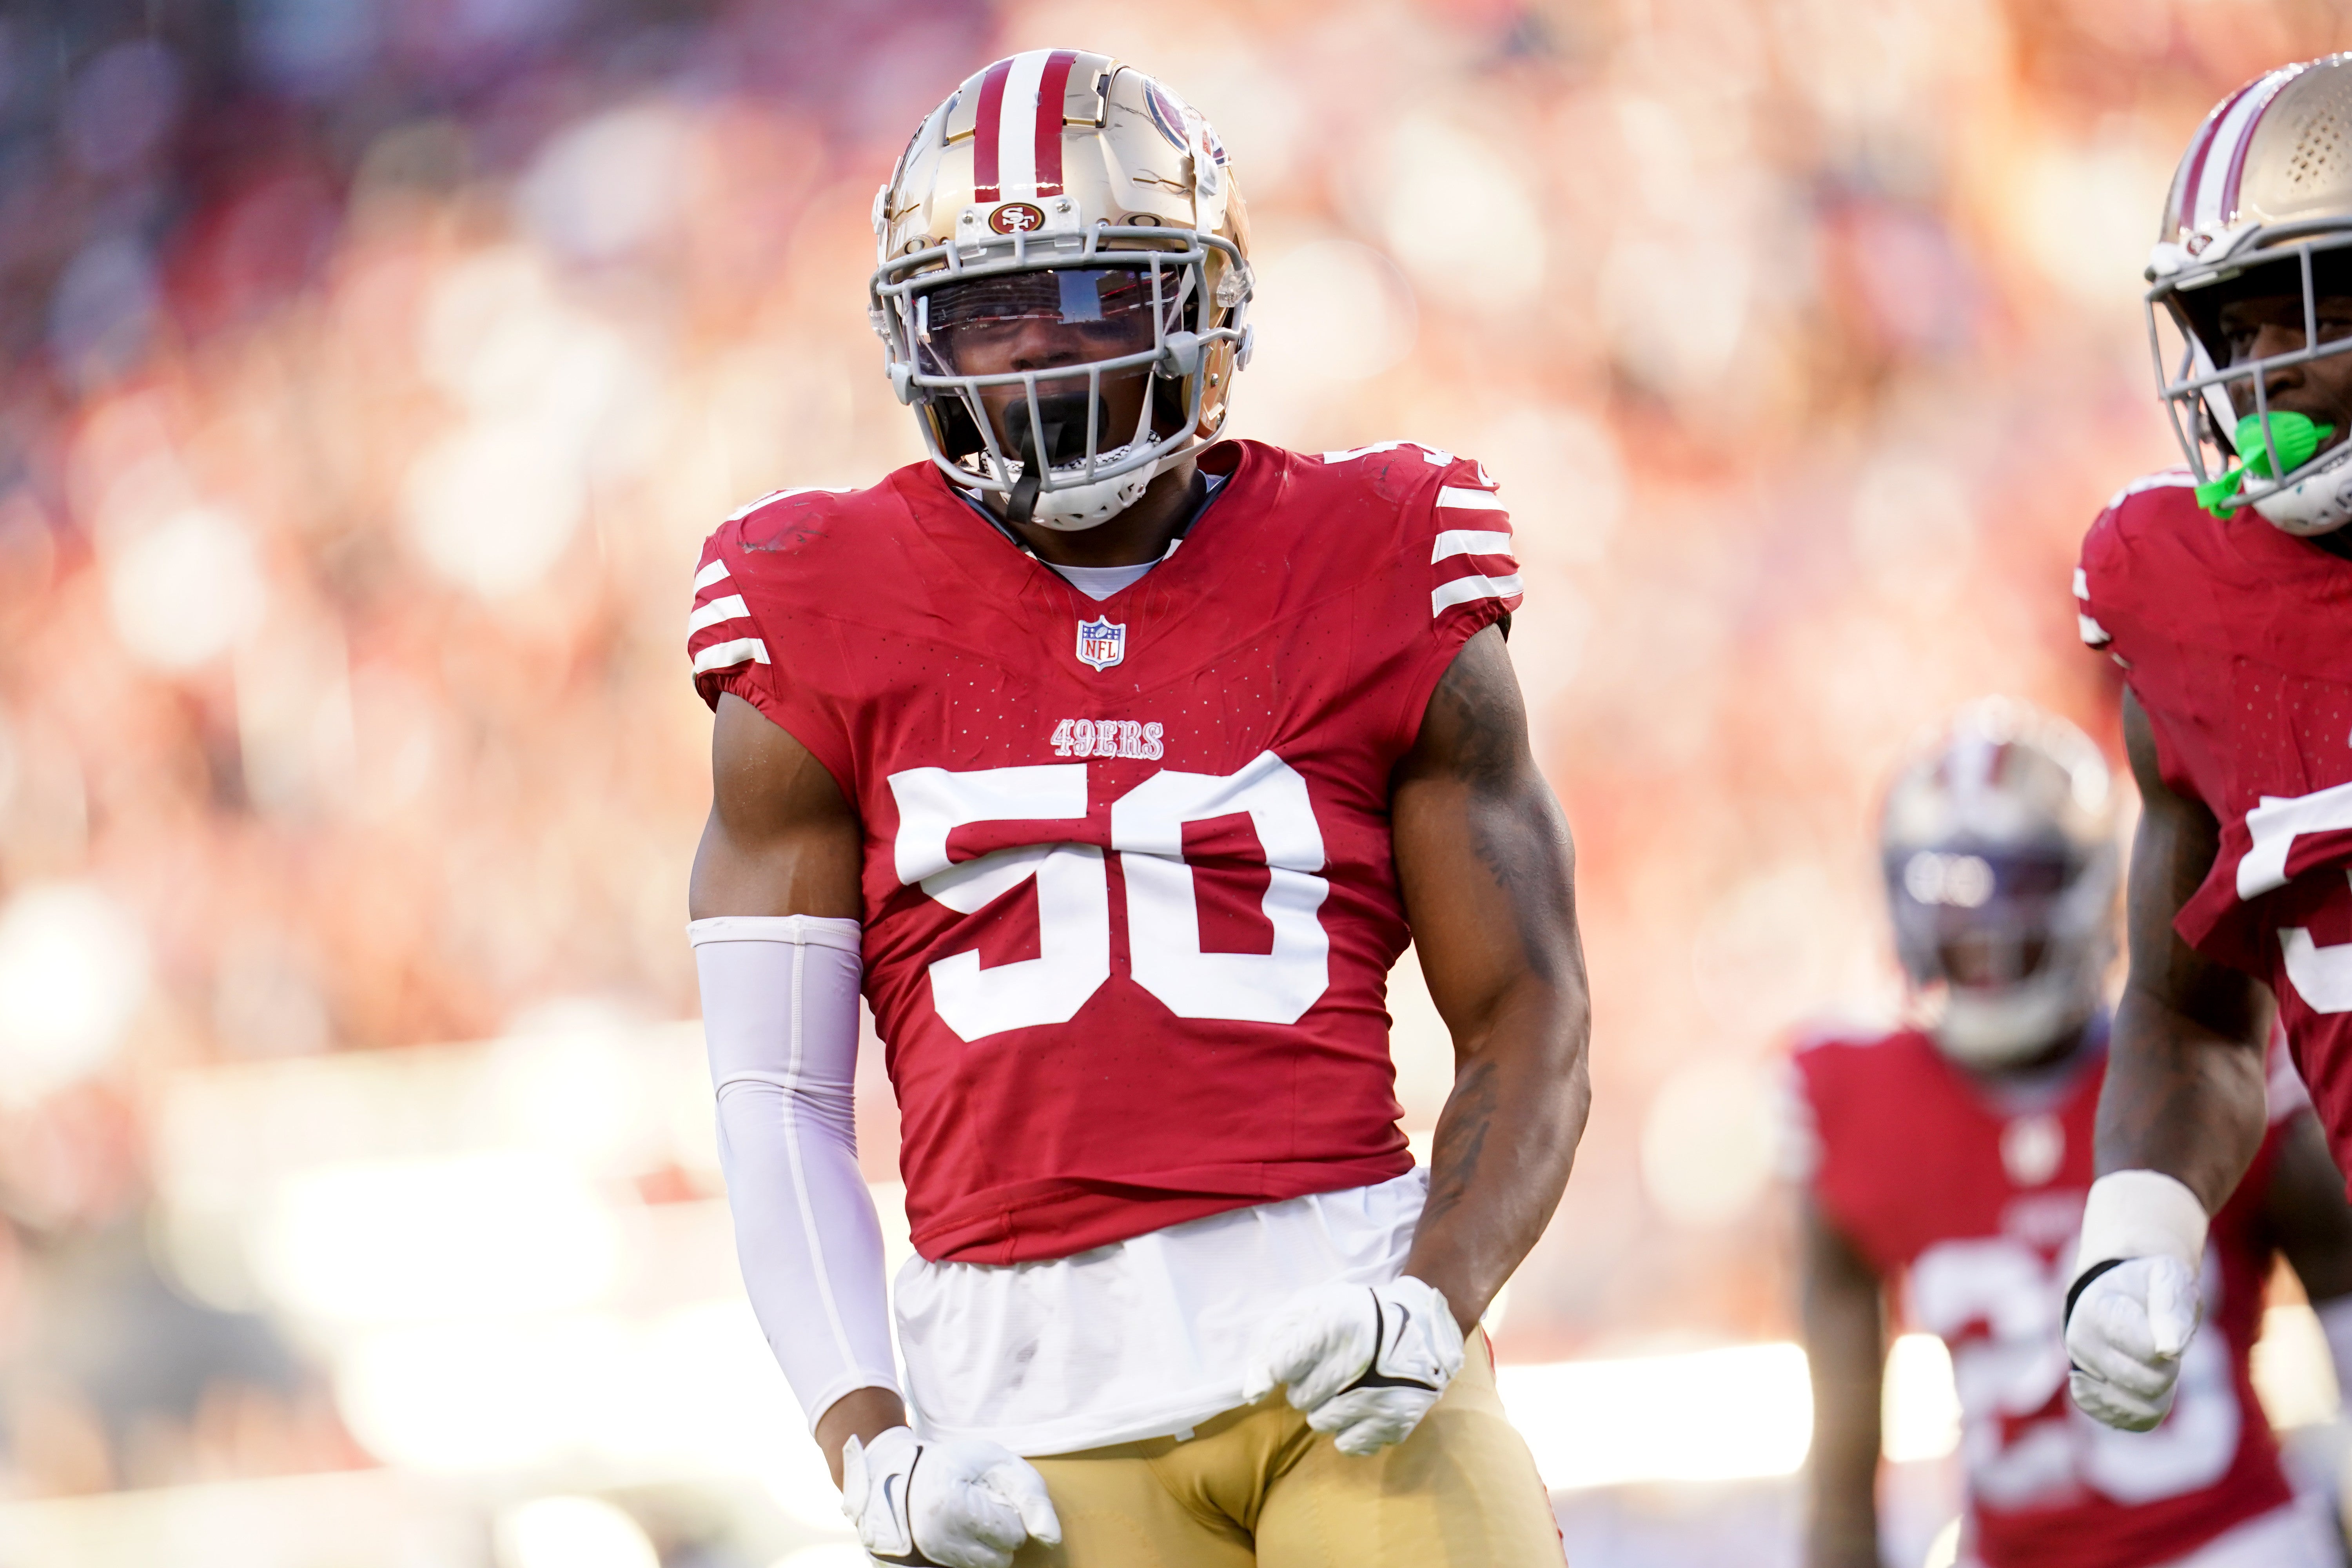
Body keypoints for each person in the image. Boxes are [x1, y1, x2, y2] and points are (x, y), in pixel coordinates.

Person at [684, 50, 1586, 1568]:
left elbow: (1527, 1005)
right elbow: (777, 1097)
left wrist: (1434, 1295)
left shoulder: (1381, 548)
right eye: (987, 312)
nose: (1038, 360)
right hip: (1020, 1402)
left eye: (1094, 298)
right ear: (915, 339)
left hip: (1340, 1341)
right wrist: (872, 1439)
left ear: (1204, 306)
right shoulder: (808, 600)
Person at [1792, 700, 2352, 1568]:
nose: (1981, 928)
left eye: (2015, 882)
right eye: (1946, 887)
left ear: (2093, 890)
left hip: (2235, 1545)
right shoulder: (1851, 1096)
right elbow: (1841, 1457)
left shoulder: (2207, 1060)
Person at [2065, 54, 2352, 1440]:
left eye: (2305, 315)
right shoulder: (2186, 600)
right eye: (2229, 333)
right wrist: (2141, 1229)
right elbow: (2194, 1009)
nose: (2258, 376)